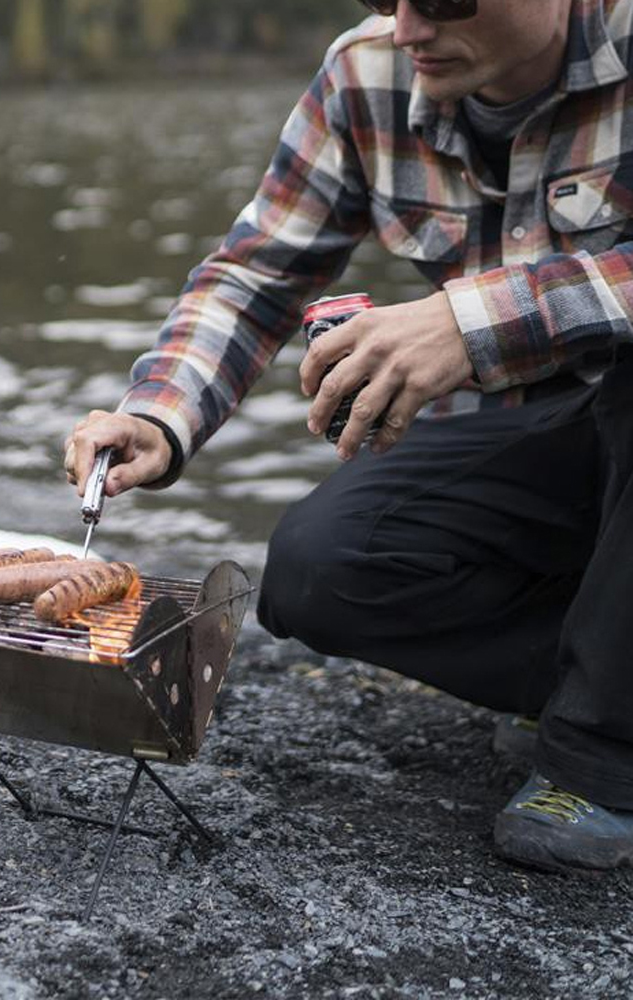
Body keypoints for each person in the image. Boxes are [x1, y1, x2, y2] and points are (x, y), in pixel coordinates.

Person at [64, 0, 633, 873]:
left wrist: (468, 320)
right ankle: (597, 676)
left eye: (442, 2)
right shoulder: (365, 73)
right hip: (550, 443)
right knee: (322, 567)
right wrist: (158, 415)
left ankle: (602, 761)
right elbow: (257, 274)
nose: (406, 30)